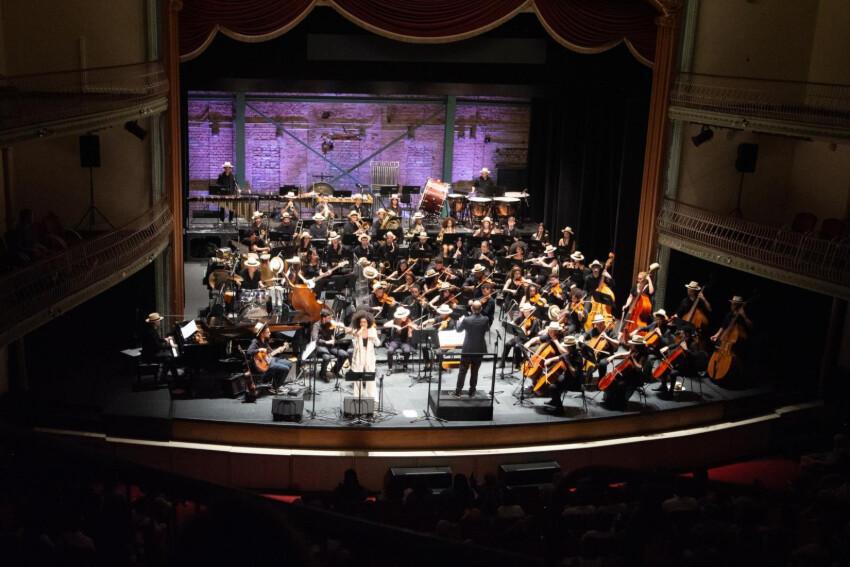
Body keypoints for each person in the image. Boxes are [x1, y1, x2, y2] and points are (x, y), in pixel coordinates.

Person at [454, 300, 490, 397]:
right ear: (481, 309)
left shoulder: (466, 320)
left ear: (471, 308)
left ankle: (458, 391)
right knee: (475, 371)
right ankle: (472, 391)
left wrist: (458, 322)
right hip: (479, 349)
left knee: (462, 370)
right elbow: (487, 329)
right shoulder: (485, 319)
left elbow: (458, 330)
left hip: (467, 349)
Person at [247, 323, 293, 395]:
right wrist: (259, 350)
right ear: (262, 333)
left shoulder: (265, 341)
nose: (270, 333)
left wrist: (280, 349)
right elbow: (249, 352)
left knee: (289, 363)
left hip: (270, 360)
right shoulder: (255, 341)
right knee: (285, 368)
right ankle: (275, 387)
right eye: (268, 332)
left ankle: (277, 384)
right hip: (263, 364)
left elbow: (271, 353)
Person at [349, 310, 380, 399]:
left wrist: (373, 337)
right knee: (357, 377)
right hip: (359, 355)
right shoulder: (356, 331)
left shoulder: (372, 330)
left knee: (370, 376)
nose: (363, 323)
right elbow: (355, 345)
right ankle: (357, 396)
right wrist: (356, 335)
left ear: (368, 322)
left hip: (369, 355)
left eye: (364, 322)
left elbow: (378, 343)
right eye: (361, 322)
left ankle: (372, 396)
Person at [312, 309, 349, 382]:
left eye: (331, 318)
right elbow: (314, 339)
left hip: (330, 347)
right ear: (323, 318)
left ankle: (335, 370)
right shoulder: (316, 325)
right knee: (326, 357)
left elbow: (336, 336)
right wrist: (326, 342)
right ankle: (322, 373)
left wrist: (343, 332)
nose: (331, 320)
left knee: (344, 354)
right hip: (320, 347)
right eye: (329, 318)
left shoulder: (331, 325)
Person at [140, 312, 179, 380]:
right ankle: (164, 378)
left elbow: (157, 339)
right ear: (155, 322)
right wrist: (171, 346)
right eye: (158, 321)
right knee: (169, 358)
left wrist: (165, 339)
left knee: (169, 356)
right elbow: (158, 346)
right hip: (149, 355)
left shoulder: (151, 329)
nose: (160, 322)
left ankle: (174, 377)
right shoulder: (151, 332)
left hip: (150, 352)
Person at [384, 306, 415, 372]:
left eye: (404, 316)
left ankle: (405, 366)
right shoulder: (395, 320)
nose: (404, 317)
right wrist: (395, 326)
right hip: (395, 341)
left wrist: (410, 330)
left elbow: (410, 334)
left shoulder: (408, 321)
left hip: (404, 341)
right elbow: (385, 325)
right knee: (390, 351)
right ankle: (390, 368)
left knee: (407, 350)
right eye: (402, 316)